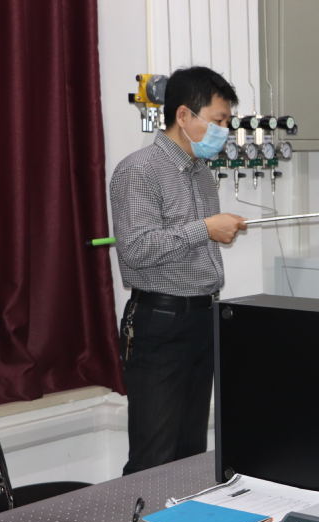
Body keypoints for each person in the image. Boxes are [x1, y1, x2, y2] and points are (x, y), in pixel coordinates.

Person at [110, 66, 246, 475]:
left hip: (203, 319)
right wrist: (205, 228)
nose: (224, 131)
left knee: (191, 453)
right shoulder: (139, 170)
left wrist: (215, 231)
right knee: (154, 456)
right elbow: (136, 249)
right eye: (218, 120)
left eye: (228, 122)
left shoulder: (202, 174)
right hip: (160, 322)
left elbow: (189, 240)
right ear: (184, 115)